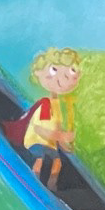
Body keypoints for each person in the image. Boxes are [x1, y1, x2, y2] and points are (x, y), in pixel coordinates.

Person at [22, 46, 83, 188]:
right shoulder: (46, 103)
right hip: (36, 141)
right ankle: (34, 179)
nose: (63, 78)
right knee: (40, 158)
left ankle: (51, 186)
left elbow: (57, 127)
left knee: (58, 163)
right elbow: (39, 129)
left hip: (49, 144)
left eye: (71, 72)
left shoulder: (58, 106)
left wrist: (64, 143)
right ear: (38, 72)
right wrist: (61, 136)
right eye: (54, 70)